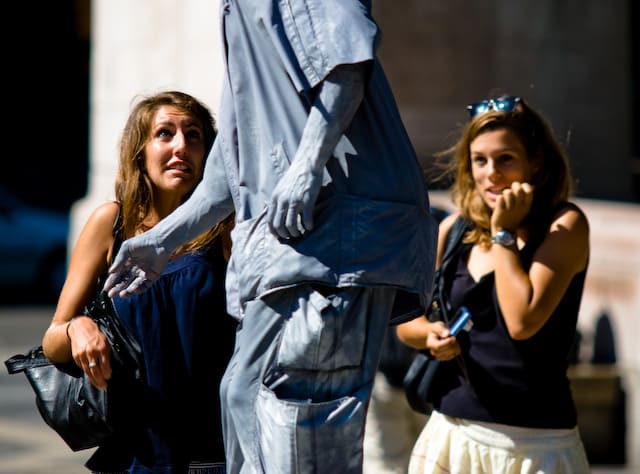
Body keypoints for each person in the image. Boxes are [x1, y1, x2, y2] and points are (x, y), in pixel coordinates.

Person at [103, 1, 438, 473]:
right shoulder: (236, 12)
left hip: (332, 242)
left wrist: (307, 166)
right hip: (281, 251)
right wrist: (162, 241)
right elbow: (231, 165)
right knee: (241, 391)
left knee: (301, 418)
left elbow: (348, 60)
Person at [42, 90, 235, 473]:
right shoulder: (110, 224)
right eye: (165, 133)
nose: (181, 146)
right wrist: (78, 327)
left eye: (193, 135)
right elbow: (53, 341)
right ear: (140, 151)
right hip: (133, 455)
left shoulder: (224, 227)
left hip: (213, 455)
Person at [397, 95, 591, 473]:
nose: (491, 173)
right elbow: (407, 322)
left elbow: (522, 322)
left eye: (506, 159)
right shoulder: (454, 230)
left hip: (536, 445)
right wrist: (430, 336)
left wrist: (502, 233)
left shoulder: (564, 226)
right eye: (480, 160)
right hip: (452, 434)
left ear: (535, 161)